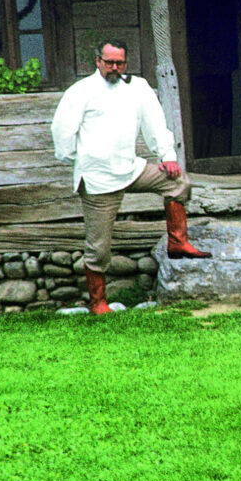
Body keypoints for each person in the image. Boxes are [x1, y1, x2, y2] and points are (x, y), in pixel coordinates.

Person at [51, 39, 211, 314]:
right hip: (98, 180)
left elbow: (155, 123)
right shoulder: (81, 91)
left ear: (126, 62)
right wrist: (82, 161)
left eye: (120, 63)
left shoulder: (138, 88)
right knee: (99, 248)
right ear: (98, 61)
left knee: (177, 181)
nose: (114, 68)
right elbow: (62, 133)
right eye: (109, 62)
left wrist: (167, 156)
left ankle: (177, 241)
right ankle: (98, 303)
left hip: (132, 169)